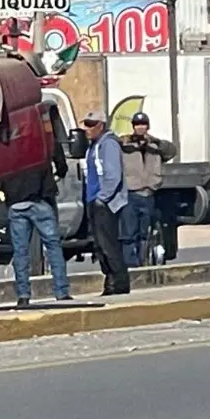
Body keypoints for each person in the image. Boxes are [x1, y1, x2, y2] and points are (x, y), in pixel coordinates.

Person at [1, 141, 71, 306]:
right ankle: (61, 291)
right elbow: (62, 166)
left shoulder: (6, 146)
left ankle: (23, 295)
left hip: (16, 202)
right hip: (40, 199)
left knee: (20, 251)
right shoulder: (42, 143)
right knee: (53, 246)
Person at [119, 112, 177, 267]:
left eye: (143, 124)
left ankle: (143, 262)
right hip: (131, 194)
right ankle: (131, 265)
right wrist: (124, 141)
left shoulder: (155, 146)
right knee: (129, 233)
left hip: (149, 193)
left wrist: (155, 142)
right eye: (137, 124)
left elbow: (171, 151)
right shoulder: (125, 146)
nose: (140, 128)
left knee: (145, 233)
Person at [83, 110, 130, 295]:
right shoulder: (94, 145)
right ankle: (109, 281)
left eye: (90, 124)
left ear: (100, 125)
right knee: (100, 246)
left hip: (105, 203)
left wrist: (102, 198)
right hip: (93, 201)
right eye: (85, 124)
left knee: (108, 244)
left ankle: (118, 283)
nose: (87, 129)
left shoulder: (108, 144)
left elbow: (113, 175)